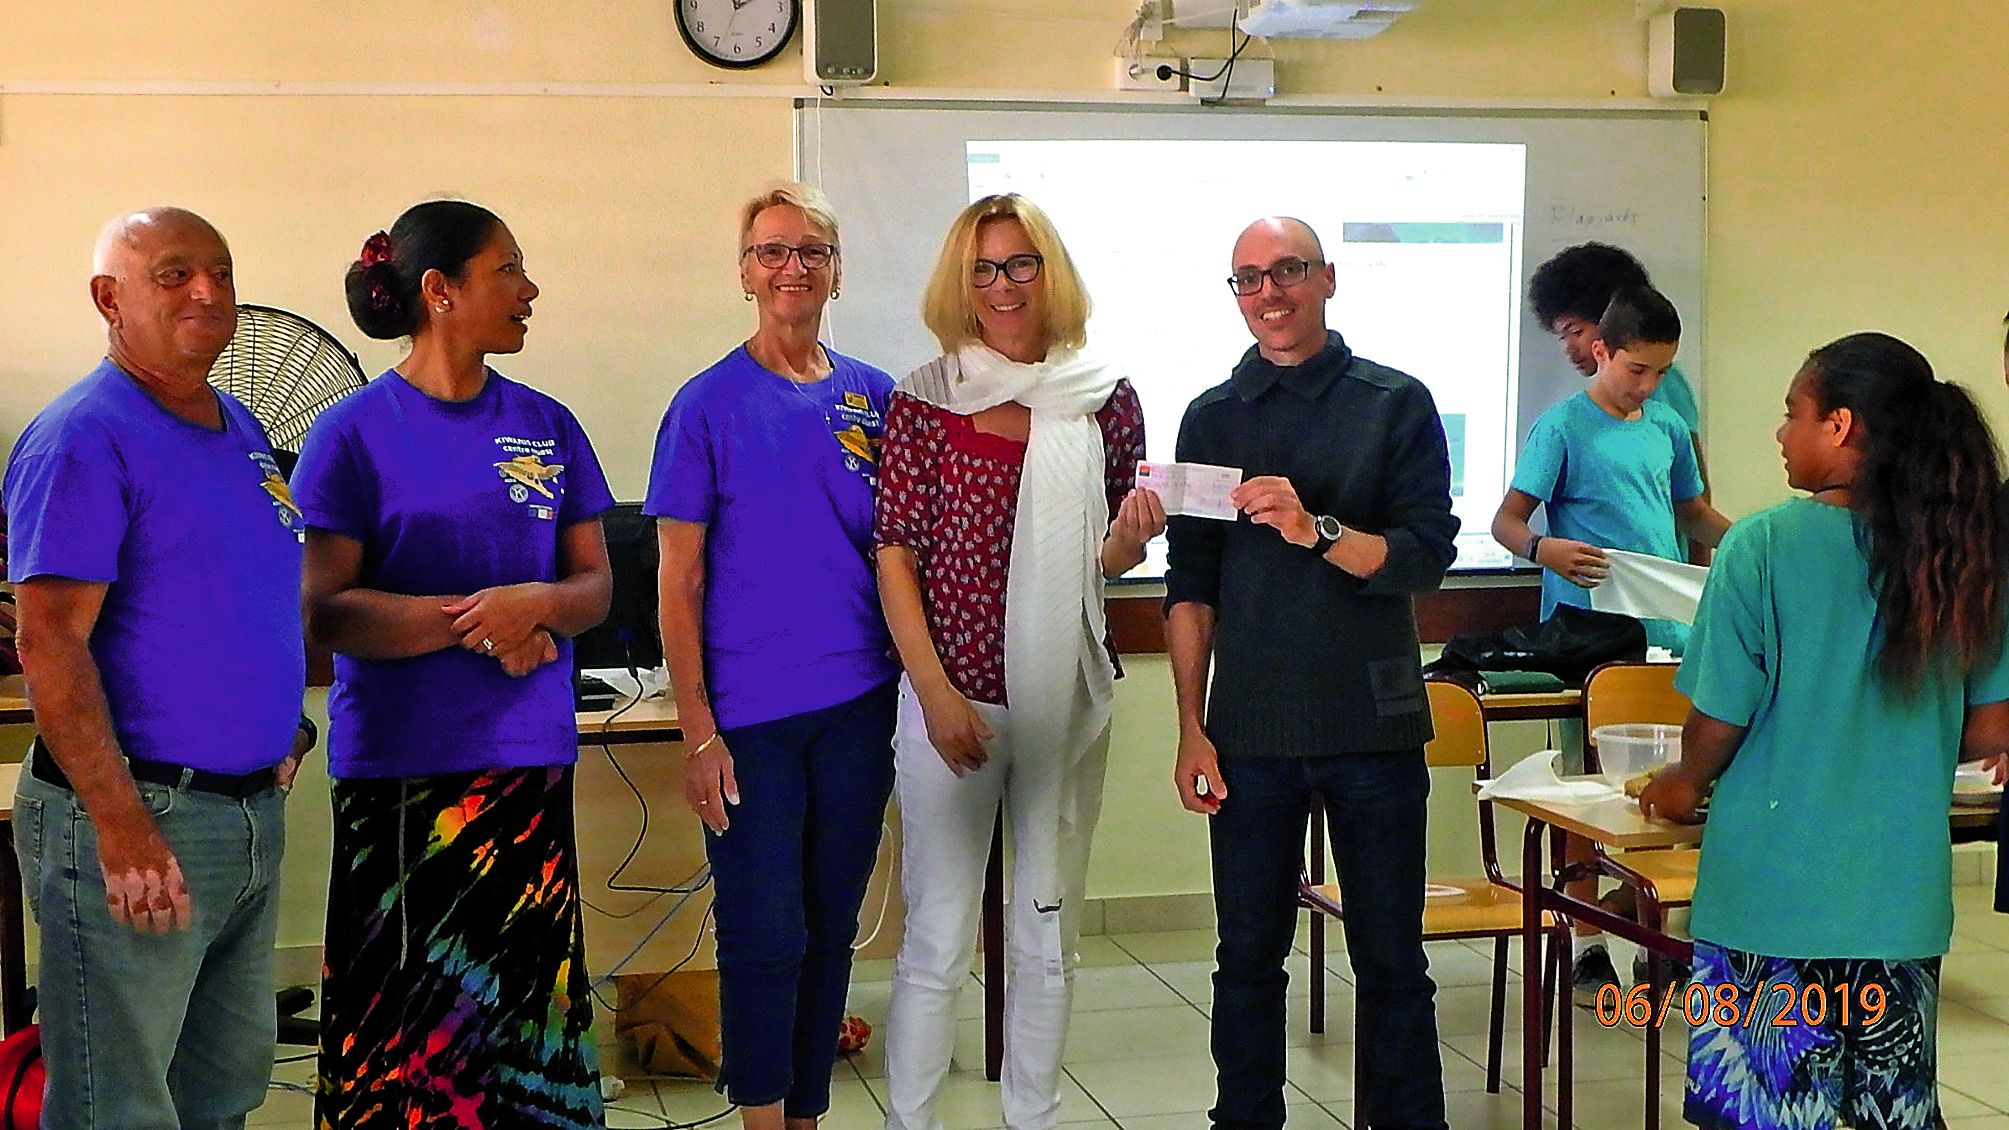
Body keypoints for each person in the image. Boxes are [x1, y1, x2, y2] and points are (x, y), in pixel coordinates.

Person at [294, 200, 614, 1127]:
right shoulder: (351, 434)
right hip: (404, 775)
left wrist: (538, 605)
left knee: (525, 1012)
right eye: (507, 269)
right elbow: (323, 612)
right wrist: (482, 621)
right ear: (439, 290)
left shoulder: (548, 425)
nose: (529, 289)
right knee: (415, 1028)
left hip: (526, 762)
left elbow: (594, 586)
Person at [1640, 332, 2009, 1130]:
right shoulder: (1961, 554)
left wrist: (1680, 783)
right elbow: (1988, 730)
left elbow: (1720, 718)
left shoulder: (1761, 545)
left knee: (1765, 1112)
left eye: (1792, 414)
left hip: (1768, 897)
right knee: (1886, 1113)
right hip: (1898, 900)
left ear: (1839, 425)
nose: (1781, 434)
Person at [5, 207, 314, 1127]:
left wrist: (285, 727)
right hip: (139, 819)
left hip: (246, 814)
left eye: (221, 271)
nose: (208, 292)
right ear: (110, 299)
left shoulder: (241, 425)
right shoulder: (84, 437)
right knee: (120, 1104)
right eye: (175, 274)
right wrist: (122, 826)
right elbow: (48, 642)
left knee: (222, 1091)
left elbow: (246, 595)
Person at [1164, 216, 1457, 1130]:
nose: (1269, 294)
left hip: (1372, 726)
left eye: (1287, 271)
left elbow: (1424, 558)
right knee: (1247, 957)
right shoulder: (1212, 415)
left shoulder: (1393, 402)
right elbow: (1190, 588)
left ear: (1326, 279)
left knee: (1391, 960)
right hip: (1248, 733)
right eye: (1247, 279)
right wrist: (1189, 727)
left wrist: (1315, 530)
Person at [876, 193, 1156, 1130]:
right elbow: (895, 552)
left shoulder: (1105, 395)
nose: (1003, 286)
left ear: (1050, 273)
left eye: (1020, 264)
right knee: (936, 939)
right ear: (961, 283)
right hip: (950, 701)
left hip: (1063, 699)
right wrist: (934, 693)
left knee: (1046, 935)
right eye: (983, 269)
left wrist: (1127, 543)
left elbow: (1101, 561)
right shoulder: (926, 396)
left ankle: (1032, 1117)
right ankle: (912, 1121)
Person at [647, 183, 900, 1129]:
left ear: (836, 270)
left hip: (858, 704)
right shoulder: (706, 405)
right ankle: (762, 1119)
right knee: (764, 935)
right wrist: (697, 731)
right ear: (744, 272)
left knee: (831, 930)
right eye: (771, 251)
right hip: (749, 716)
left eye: (811, 251)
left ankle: (806, 1117)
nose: (792, 267)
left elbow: (901, 554)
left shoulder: (875, 397)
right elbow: (677, 580)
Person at [1528, 241, 1705, 485]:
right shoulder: (1565, 420)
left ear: (1612, 320)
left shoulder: (1662, 385)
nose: (1569, 348)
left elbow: (1691, 488)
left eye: (1577, 332)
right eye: (1562, 336)